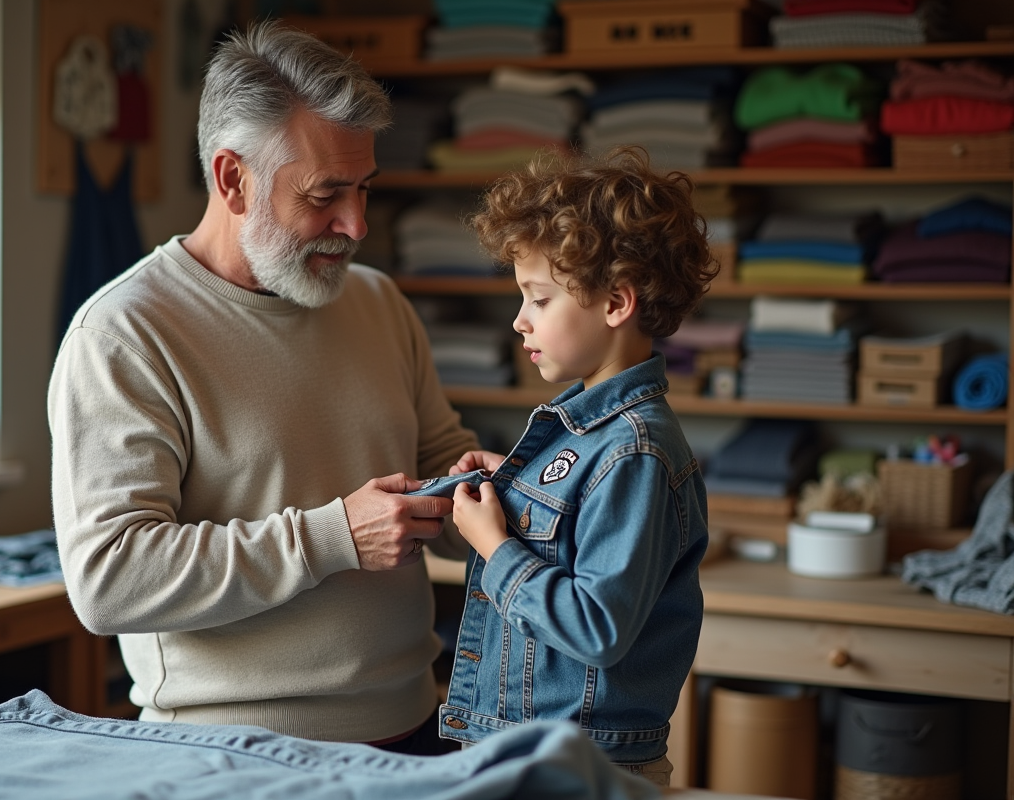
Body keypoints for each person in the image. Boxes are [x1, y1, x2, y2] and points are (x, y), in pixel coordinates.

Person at [46, 21, 479, 755]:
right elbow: (109, 580)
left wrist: (495, 493)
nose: (356, 225)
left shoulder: (379, 303)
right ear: (232, 179)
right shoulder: (123, 335)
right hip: (233, 759)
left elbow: (442, 463)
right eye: (325, 194)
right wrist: (334, 537)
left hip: (419, 732)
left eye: (364, 189)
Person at [434, 146, 717, 784]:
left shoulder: (636, 452)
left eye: (538, 299)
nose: (519, 321)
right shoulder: (594, 433)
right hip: (536, 752)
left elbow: (596, 628)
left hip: (584, 768)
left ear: (616, 302)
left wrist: (494, 546)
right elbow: (576, 522)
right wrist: (517, 487)